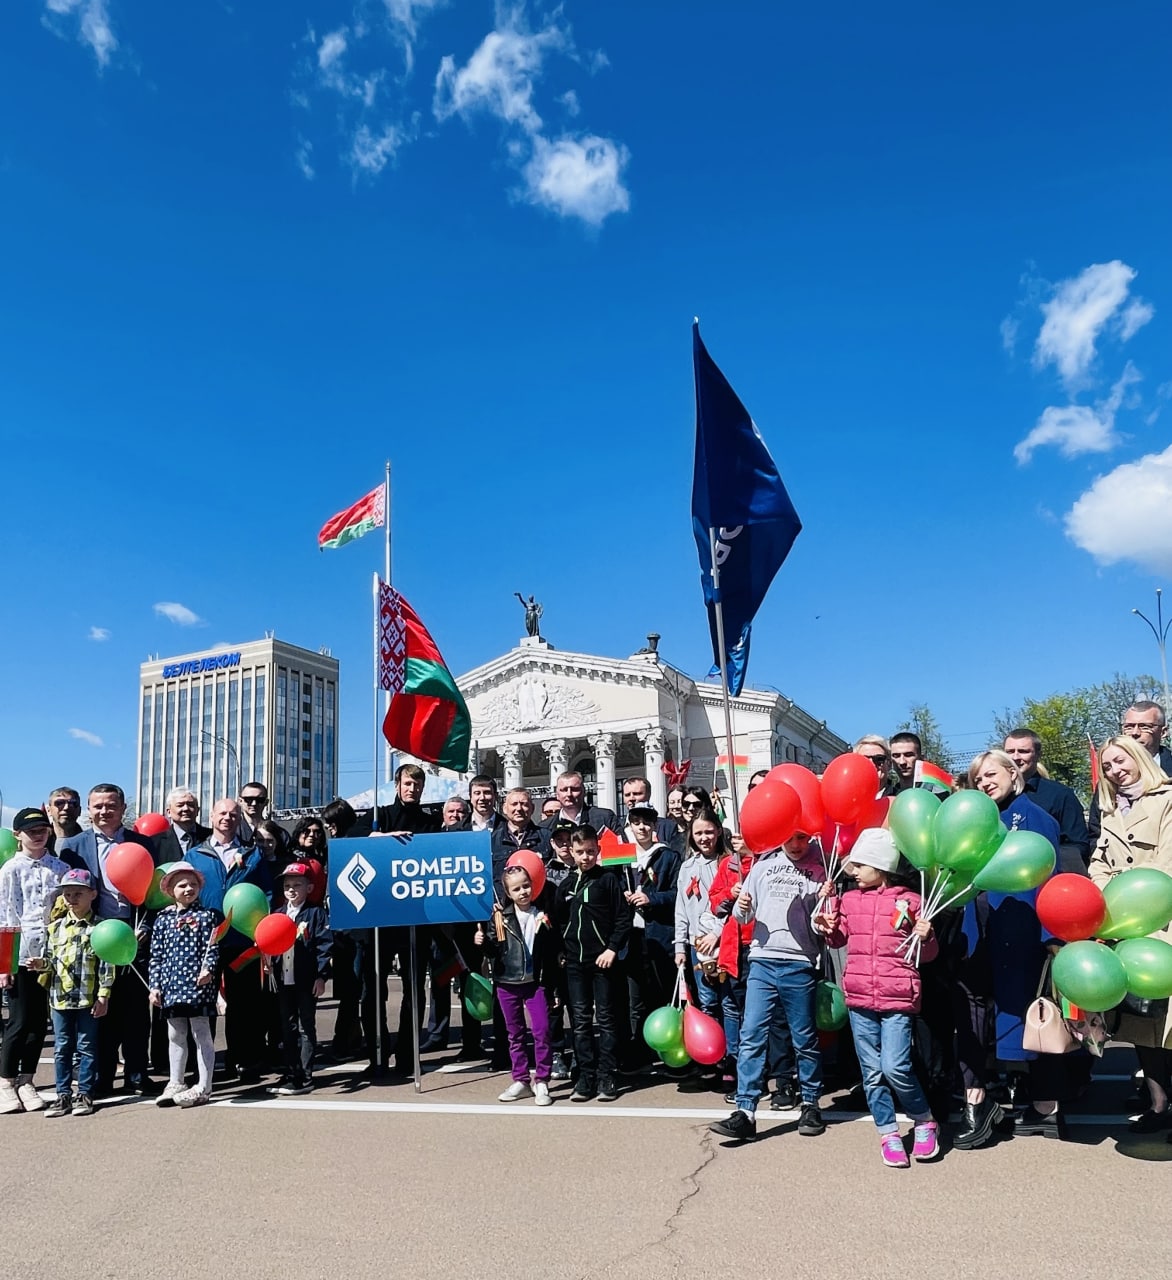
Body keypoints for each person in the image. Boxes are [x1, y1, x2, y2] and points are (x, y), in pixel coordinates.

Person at [955, 750, 1067, 1145]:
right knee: (975, 1014)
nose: (984, 783)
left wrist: (1048, 939)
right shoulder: (979, 820)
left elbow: (1045, 879)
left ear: (1013, 771)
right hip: (980, 929)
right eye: (977, 778)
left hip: (1022, 930)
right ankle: (981, 1101)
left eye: (991, 774)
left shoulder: (1035, 818)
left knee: (1035, 1016)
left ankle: (1046, 1107)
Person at [814, 829, 940, 1167]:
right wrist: (827, 924)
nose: (853, 871)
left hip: (898, 995)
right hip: (858, 997)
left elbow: (927, 954)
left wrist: (926, 936)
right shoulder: (849, 900)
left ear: (880, 865)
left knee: (895, 1066)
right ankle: (888, 1132)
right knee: (871, 1073)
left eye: (860, 865)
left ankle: (924, 1119)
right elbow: (837, 939)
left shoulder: (911, 901)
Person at [709, 831, 830, 1144]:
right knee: (751, 1035)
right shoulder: (763, 866)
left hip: (799, 963)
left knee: (803, 1037)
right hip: (762, 961)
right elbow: (742, 914)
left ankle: (811, 1103)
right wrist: (742, 905)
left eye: (803, 838)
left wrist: (823, 916)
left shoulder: (819, 872)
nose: (796, 844)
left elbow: (821, 924)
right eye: (791, 837)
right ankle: (745, 1111)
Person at [1089, 735, 1172, 1137]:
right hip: (1126, 927)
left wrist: (1132, 892)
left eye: (1120, 761)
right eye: (1107, 766)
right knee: (1143, 1025)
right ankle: (1158, 1105)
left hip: (1163, 921)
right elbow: (1099, 863)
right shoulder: (1111, 811)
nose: (1114, 770)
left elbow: (1166, 862)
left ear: (1139, 757)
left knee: (1169, 1024)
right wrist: (1108, 896)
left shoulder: (1166, 799)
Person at [58, 783, 158, 1096]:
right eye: (98, 806)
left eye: (111, 805)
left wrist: (146, 928)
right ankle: (100, 1075)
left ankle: (137, 1073)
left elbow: (152, 891)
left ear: (122, 808)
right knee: (101, 1008)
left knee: (137, 1010)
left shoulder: (143, 844)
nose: (104, 812)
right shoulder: (72, 846)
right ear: (89, 809)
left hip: (134, 932)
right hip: (94, 936)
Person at [185, 798, 273, 1084]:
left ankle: (244, 1060)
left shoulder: (253, 854)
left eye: (233, 814)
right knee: (203, 1005)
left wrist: (262, 932)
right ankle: (205, 1064)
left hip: (242, 941)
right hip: (204, 942)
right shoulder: (195, 855)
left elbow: (267, 893)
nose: (227, 818)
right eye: (222, 813)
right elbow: (183, 893)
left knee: (244, 1005)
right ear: (211, 816)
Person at [554, 825, 631, 1103]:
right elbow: (559, 922)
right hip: (575, 963)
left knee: (607, 1019)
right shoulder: (564, 885)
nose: (585, 857)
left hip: (603, 962)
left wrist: (612, 948)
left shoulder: (608, 880)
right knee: (580, 1020)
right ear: (571, 853)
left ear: (598, 851)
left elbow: (623, 918)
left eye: (590, 851)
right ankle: (585, 1076)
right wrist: (561, 951)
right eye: (579, 852)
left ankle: (607, 1074)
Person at [0, 807, 69, 1115]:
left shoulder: (60, 867)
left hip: (52, 955)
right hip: (21, 954)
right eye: (31, 831)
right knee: (18, 1020)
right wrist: (5, 964)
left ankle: (27, 1080)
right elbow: (5, 915)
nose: (38, 834)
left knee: (39, 1021)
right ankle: (5, 1082)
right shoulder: (10, 870)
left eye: (42, 829)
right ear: (18, 835)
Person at [477, 865, 559, 1106]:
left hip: (536, 983)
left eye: (526, 885)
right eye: (516, 888)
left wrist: (553, 986)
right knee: (515, 1034)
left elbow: (551, 951)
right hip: (507, 982)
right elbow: (494, 950)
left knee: (542, 1031)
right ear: (507, 892)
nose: (523, 891)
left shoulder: (542, 914)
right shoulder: (501, 917)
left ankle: (542, 1080)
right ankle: (521, 1079)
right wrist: (482, 943)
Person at [148, 862, 220, 1108]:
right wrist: (155, 985)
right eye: (182, 885)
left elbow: (213, 946)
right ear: (170, 890)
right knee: (175, 1034)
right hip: (171, 986)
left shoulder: (207, 916)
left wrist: (208, 968)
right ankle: (176, 1081)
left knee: (202, 1033)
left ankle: (204, 1085)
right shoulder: (163, 919)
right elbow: (156, 955)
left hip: (198, 986)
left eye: (193, 884)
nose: (188, 889)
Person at [43, 869, 114, 1118]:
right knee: (62, 1047)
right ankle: (62, 1094)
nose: (72, 898)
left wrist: (103, 995)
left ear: (93, 894)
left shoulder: (100, 928)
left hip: (87, 998)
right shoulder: (54, 928)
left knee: (86, 1046)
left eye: (78, 893)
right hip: (59, 998)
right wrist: (39, 965)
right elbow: (48, 960)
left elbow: (107, 964)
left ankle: (85, 1093)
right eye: (67, 894)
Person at [619, 800, 681, 1070]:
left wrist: (651, 898)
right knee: (636, 998)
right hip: (631, 936)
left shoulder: (667, 856)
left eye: (646, 822)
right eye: (636, 822)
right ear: (629, 826)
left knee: (664, 995)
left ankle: (668, 1048)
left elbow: (677, 894)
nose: (641, 827)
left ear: (655, 825)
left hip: (659, 936)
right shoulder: (621, 856)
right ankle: (640, 1051)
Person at [268, 862, 332, 1097]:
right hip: (283, 978)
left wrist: (321, 976)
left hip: (305, 979)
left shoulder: (315, 914)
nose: (292, 890)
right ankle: (290, 1071)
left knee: (306, 1026)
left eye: (297, 885)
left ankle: (305, 1076)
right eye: (287, 886)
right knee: (288, 1026)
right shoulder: (277, 914)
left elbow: (324, 946)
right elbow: (269, 942)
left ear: (309, 887)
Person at [1002, 729, 1090, 873]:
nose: (1015, 757)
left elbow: (1078, 846)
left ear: (1038, 755)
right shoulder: (995, 797)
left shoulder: (1060, 795)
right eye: (1010, 752)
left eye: (1023, 751)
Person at [1088, 701, 1172, 847]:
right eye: (1129, 726)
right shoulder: (1108, 783)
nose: (1135, 733)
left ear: (1163, 732)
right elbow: (1095, 836)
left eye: (1145, 727)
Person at [673, 808, 723, 1032]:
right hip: (698, 944)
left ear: (719, 831)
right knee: (707, 1001)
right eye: (699, 833)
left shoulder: (727, 862)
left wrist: (718, 933)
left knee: (730, 1001)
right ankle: (714, 1054)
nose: (704, 838)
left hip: (724, 942)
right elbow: (681, 909)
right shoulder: (687, 867)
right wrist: (680, 946)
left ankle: (733, 1053)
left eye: (709, 832)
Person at [543, 771, 620, 835]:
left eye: (574, 789)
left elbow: (623, 848)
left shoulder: (605, 818)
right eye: (564, 790)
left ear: (584, 792)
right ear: (557, 795)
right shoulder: (545, 826)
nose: (569, 794)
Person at [621, 776, 681, 850]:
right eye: (627, 795)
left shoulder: (668, 827)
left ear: (648, 795)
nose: (631, 798)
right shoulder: (617, 828)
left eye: (637, 794)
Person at [154, 788, 213, 863]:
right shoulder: (154, 843)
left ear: (197, 810)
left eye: (190, 805)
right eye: (180, 805)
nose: (186, 808)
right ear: (169, 812)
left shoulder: (212, 837)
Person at [44, 787, 82, 851]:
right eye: (59, 803)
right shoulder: (39, 843)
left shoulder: (91, 842)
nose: (66, 808)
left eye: (72, 803)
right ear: (49, 810)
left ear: (79, 810)